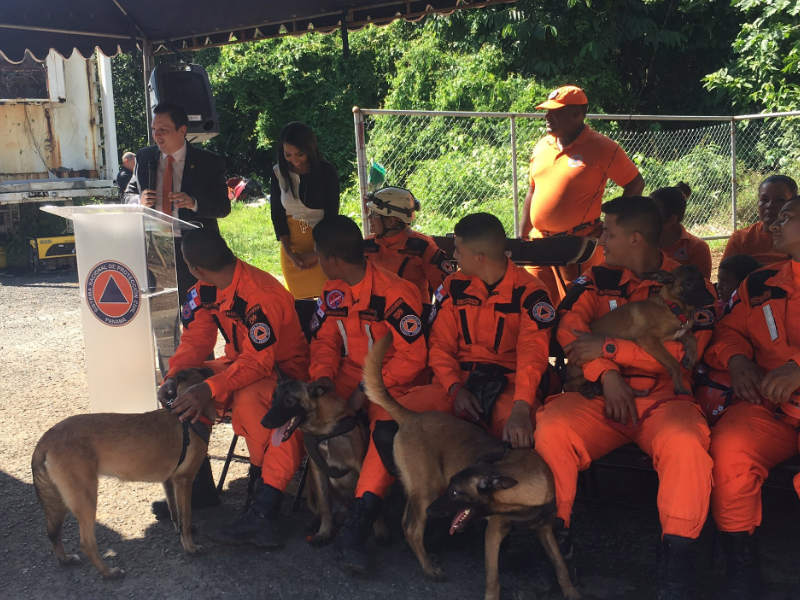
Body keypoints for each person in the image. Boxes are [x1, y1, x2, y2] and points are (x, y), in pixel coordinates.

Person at [533, 196, 717, 599]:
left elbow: (689, 356)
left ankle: (677, 566)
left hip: (665, 400)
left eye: (609, 231)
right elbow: (570, 331)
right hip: (601, 397)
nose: (602, 237)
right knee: (552, 427)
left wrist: (610, 350)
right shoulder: (596, 278)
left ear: (635, 238)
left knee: (687, 445)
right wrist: (608, 374)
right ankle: (556, 551)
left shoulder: (690, 284)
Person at [308, 215, 448, 573]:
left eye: (319, 256)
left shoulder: (396, 292)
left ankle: (360, 521)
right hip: (349, 374)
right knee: (305, 410)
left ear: (331, 259)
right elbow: (324, 341)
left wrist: (366, 391)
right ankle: (320, 506)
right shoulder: (332, 290)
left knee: (382, 426)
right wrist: (321, 380)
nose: (319, 264)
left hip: (393, 380)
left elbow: (413, 358)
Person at [160, 229, 310, 548]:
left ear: (194, 267)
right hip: (240, 364)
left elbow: (259, 362)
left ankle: (264, 509)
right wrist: (175, 376)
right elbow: (196, 340)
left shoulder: (261, 293)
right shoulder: (206, 290)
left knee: (251, 402)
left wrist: (210, 388)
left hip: (284, 374)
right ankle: (195, 489)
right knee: (183, 388)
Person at [703, 196, 800, 599]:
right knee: (730, 448)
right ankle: (740, 561)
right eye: (776, 218)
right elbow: (727, 331)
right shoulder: (759, 283)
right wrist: (739, 361)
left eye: (788, 218)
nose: (775, 225)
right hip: (770, 408)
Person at [428, 212, 555, 446]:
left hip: (509, 386)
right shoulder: (453, 286)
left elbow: (532, 354)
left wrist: (521, 406)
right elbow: (439, 346)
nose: (454, 256)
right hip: (457, 382)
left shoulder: (530, 292)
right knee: (399, 418)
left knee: (519, 434)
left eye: (458, 250)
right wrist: (454, 388)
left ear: (479, 258)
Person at [521, 84, 645, 302]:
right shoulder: (542, 145)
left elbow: (635, 184)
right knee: (535, 303)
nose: (548, 117)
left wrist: (612, 226)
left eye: (555, 112)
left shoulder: (602, 147)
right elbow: (533, 191)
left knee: (574, 306)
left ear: (577, 115)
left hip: (576, 246)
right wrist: (522, 236)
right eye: (547, 111)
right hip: (538, 244)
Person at [124, 103, 230, 301]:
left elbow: (223, 207)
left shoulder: (209, 162)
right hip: (154, 250)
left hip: (194, 251)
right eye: (154, 130)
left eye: (163, 130)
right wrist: (138, 201)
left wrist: (194, 203)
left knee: (199, 315)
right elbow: (127, 194)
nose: (157, 136)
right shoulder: (144, 158)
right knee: (161, 314)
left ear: (182, 130)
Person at [270, 122, 339, 299]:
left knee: (328, 299)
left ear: (310, 149)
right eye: (288, 155)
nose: (294, 160)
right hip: (292, 247)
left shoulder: (326, 172)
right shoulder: (278, 173)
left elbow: (332, 216)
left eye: (300, 154)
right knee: (299, 302)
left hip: (323, 244)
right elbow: (277, 215)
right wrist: (290, 253)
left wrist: (318, 253)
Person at [364, 186, 455, 316]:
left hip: (412, 318)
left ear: (392, 221)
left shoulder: (422, 247)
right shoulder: (367, 245)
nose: (369, 218)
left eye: (374, 214)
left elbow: (446, 290)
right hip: (375, 317)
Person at [694, 254, 762, 424]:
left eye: (726, 282)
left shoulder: (751, 312)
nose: (720, 287)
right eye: (719, 280)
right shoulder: (713, 308)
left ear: (743, 285)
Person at [721, 175, 797, 266]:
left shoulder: (796, 239)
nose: (770, 205)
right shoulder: (741, 239)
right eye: (764, 199)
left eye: (780, 200)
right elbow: (726, 277)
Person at [651, 182, 712, 279]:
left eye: (652, 214)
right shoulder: (641, 243)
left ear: (671, 219)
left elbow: (700, 290)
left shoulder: (697, 248)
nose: (645, 217)